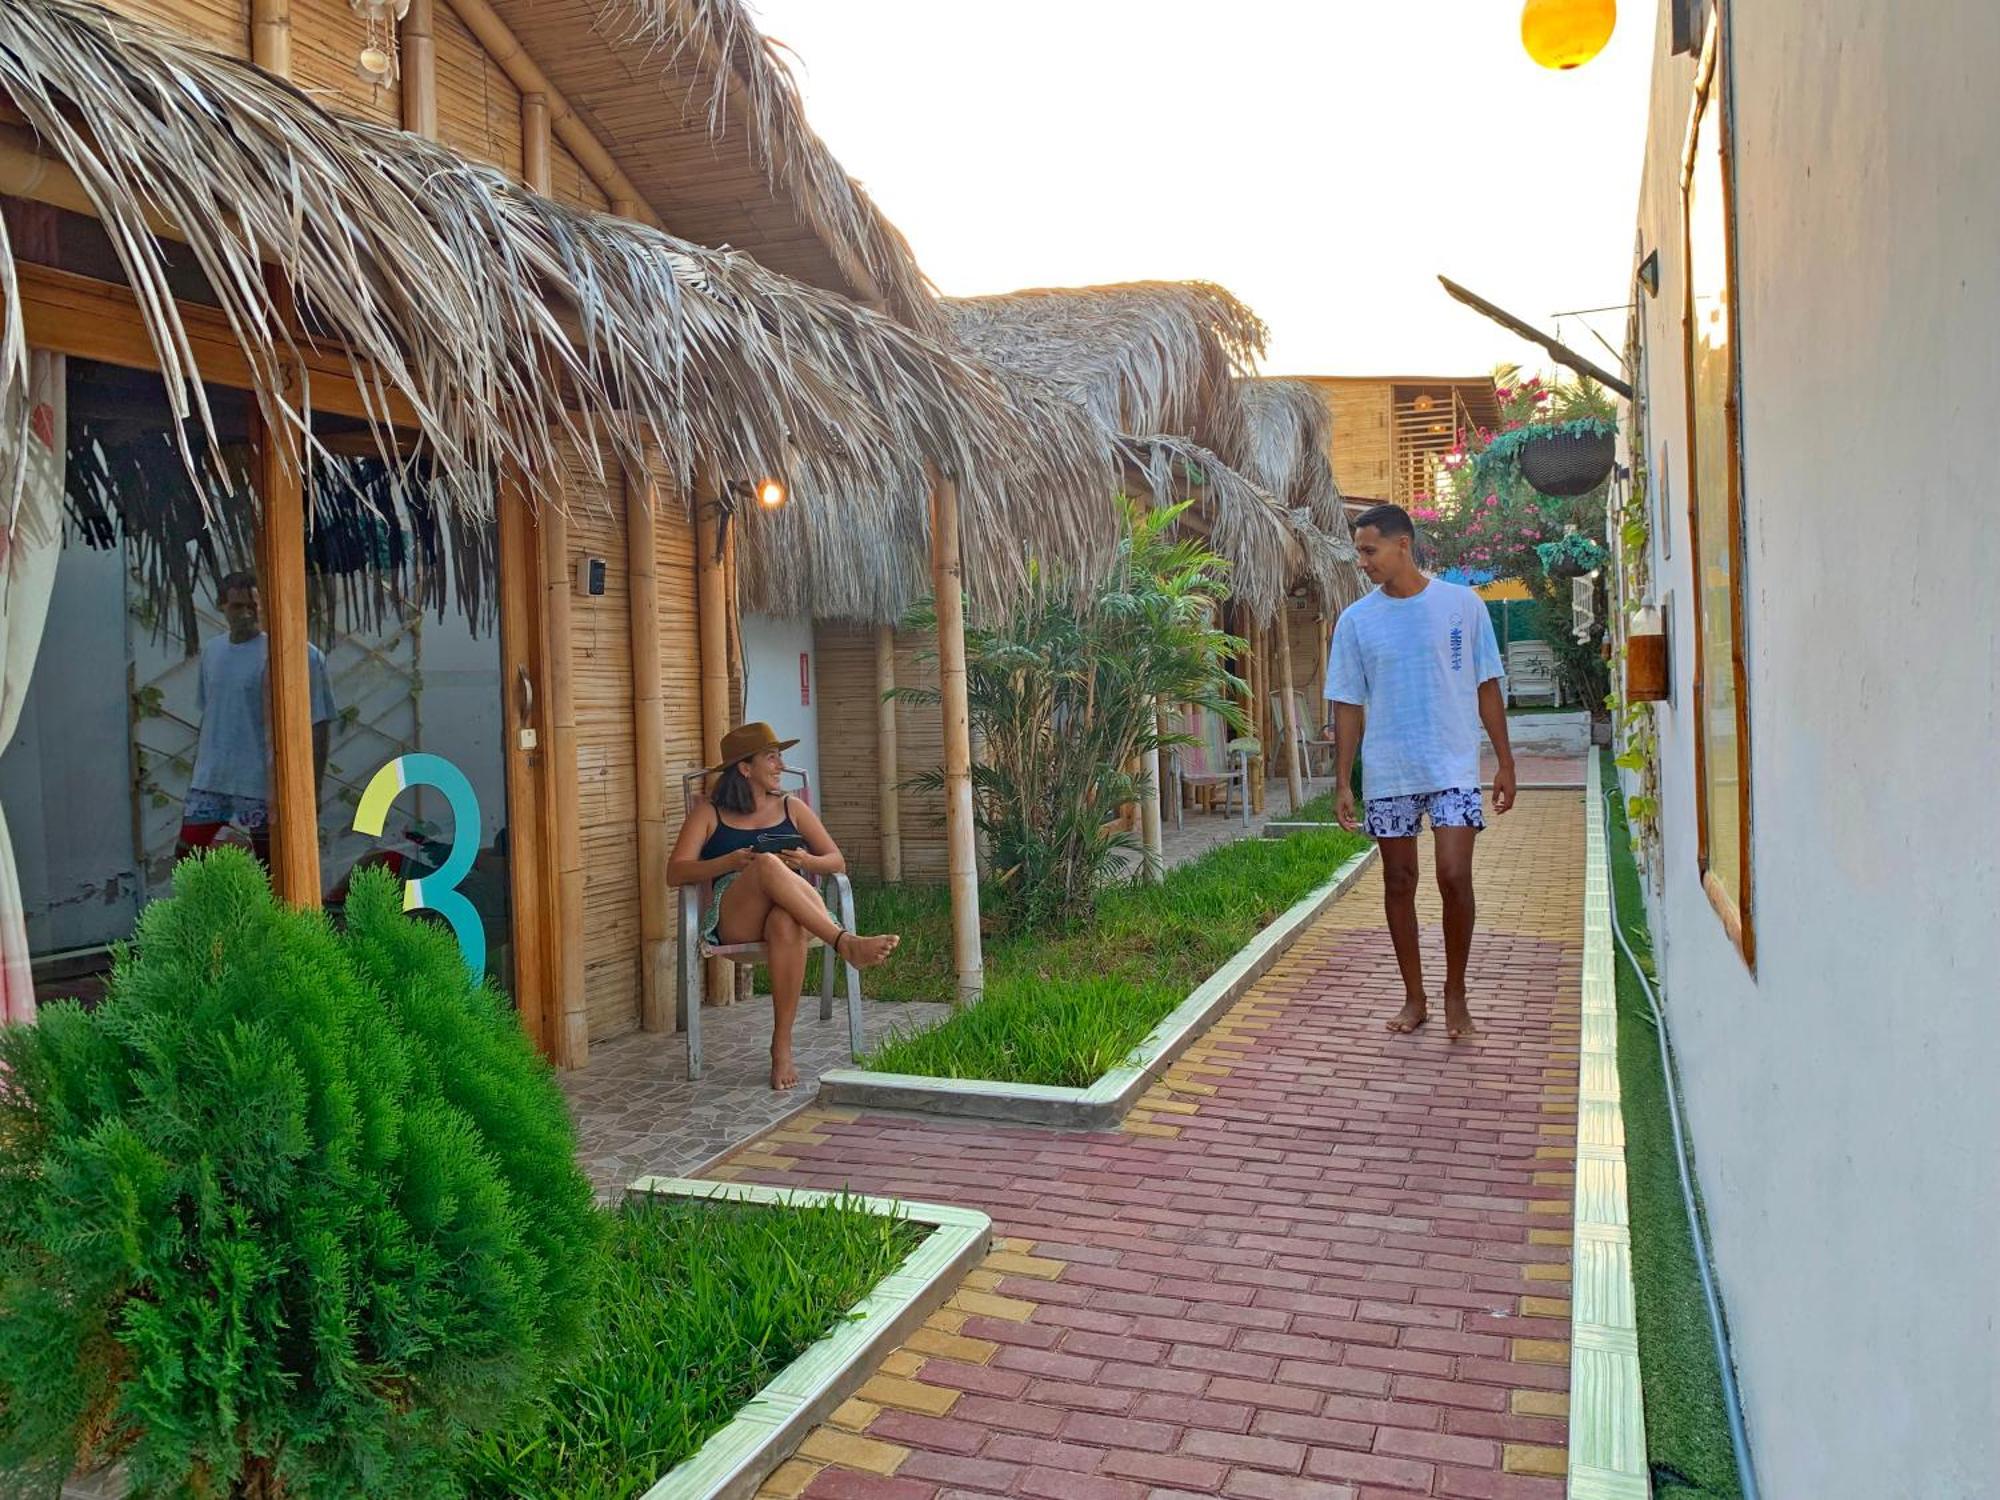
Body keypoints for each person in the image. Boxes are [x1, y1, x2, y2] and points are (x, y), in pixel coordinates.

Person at [1326, 504, 1516, 1040]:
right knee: (1398, 880)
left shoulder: (1461, 605)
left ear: (1403, 544)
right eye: (1359, 551)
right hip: (1389, 769)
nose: (1362, 561)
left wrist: (1504, 760)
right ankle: (1416, 997)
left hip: (1452, 762)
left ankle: (1456, 994)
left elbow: (1486, 684)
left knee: (1454, 875)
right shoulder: (1356, 620)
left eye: (1369, 550)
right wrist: (1344, 779)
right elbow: (1346, 703)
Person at [667, 722, 899, 1090]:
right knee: (766, 863)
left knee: (785, 922)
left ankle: (782, 1045)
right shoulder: (709, 813)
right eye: (771, 758)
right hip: (735, 915)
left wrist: (805, 861)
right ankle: (845, 943)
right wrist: (729, 862)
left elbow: (836, 861)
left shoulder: (792, 806)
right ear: (745, 768)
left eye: (780, 757)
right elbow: (675, 871)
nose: (780, 765)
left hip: (794, 909)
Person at [176, 570, 336, 870]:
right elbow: (212, 715)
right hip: (213, 779)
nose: (247, 614)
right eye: (238, 606)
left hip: (263, 783)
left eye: (254, 606)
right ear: (222, 605)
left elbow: (318, 724)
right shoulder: (213, 651)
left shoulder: (294, 655)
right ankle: (214, 915)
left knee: (273, 870)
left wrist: (312, 789)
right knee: (187, 858)